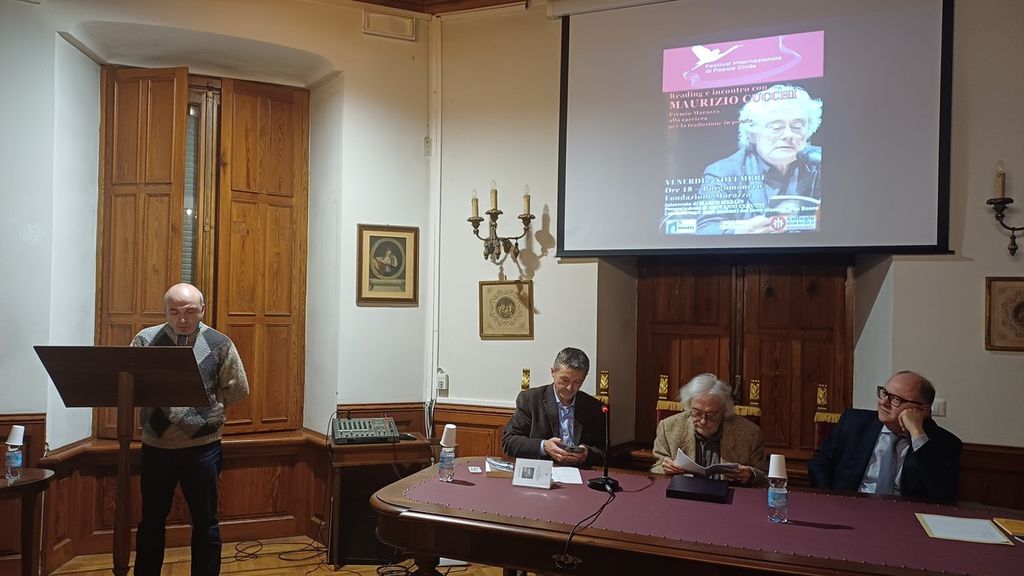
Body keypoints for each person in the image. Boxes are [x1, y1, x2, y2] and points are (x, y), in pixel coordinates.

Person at [132, 283, 250, 576]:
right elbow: (132, 386)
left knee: (206, 521)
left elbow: (238, 388)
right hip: (156, 446)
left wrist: (205, 414)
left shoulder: (219, 343)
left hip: (203, 448)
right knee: (151, 521)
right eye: (174, 312)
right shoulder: (145, 340)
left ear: (202, 310)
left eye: (189, 311)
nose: (182, 318)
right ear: (165, 311)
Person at [807, 371, 962, 502]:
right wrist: (832, 499)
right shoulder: (853, 423)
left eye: (896, 399)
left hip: (905, 517)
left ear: (923, 410)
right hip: (851, 507)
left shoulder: (945, 443)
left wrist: (917, 434)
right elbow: (818, 464)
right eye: (884, 393)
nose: (883, 402)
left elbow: (944, 494)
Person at [696, 84, 823, 235]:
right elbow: (706, 229)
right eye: (776, 127)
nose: (789, 135)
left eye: (797, 126)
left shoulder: (820, 162)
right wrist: (742, 232)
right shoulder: (722, 172)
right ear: (752, 135)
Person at [651, 373, 767, 485]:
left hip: (728, 494)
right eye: (696, 413)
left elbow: (764, 475)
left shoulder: (750, 433)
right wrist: (665, 468)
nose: (703, 421)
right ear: (689, 406)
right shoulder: (668, 428)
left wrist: (751, 475)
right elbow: (656, 468)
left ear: (724, 410)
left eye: (711, 415)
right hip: (683, 494)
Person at [501, 347, 606, 467]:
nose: (570, 388)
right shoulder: (530, 400)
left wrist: (588, 453)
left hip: (579, 472)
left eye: (577, 382)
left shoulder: (593, 407)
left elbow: (604, 452)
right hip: (542, 470)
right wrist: (544, 446)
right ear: (553, 372)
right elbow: (509, 442)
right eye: (565, 380)